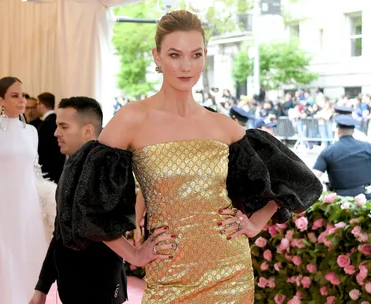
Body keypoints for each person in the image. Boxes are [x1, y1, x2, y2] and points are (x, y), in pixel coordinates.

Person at [56, 10, 322, 303]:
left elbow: (294, 179)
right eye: (175, 55)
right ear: (156, 56)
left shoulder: (221, 124)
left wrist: (256, 222)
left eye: (195, 55)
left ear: (205, 55)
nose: (186, 66)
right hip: (168, 274)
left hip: (230, 273)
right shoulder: (133, 118)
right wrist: (133, 253)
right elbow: (83, 200)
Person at [30, 96, 171, 304]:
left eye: (63, 126)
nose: (56, 132)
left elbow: (100, 225)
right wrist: (42, 287)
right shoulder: (73, 165)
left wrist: (135, 255)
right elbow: (60, 232)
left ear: (87, 130)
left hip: (100, 285)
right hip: (71, 284)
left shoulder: (103, 166)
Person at [0, 77, 48, 304]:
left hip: (29, 205)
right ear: (1, 99)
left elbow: (35, 171)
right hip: (2, 205)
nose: (22, 100)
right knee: (7, 260)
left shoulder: (32, 132)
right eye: (15, 95)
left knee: (31, 258)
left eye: (23, 95)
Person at [313, 115, 371, 198]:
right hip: (367, 198)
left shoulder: (328, 151)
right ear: (353, 131)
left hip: (341, 202)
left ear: (338, 131)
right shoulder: (367, 147)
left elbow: (314, 175)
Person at [37, 92, 66, 183]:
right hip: (60, 166)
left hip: (47, 170)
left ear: (41, 105)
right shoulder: (59, 121)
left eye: (37, 104)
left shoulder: (44, 125)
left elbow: (40, 150)